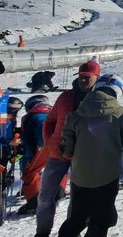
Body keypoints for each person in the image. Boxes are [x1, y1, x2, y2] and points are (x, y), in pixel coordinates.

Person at [58, 74, 123, 237]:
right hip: (107, 176)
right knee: (101, 220)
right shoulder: (121, 114)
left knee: (77, 219)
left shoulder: (76, 115)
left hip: (80, 177)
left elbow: (66, 149)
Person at [36, 59, 100, 237]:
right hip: (58, 154)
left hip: (82, 158)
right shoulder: (65, 97)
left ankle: (71, 232)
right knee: (45, 196)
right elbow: (49, 121)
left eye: (88, 77)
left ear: (97, 77)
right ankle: (42, 232)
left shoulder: (98, 100)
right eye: (81, 76)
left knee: (77, 200)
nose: (83, 80)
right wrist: (49, 141)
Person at [18, 95, 53, 215]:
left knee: (30, 173)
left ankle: (34, 203)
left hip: (39, 148)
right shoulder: (51, 112)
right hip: (55, 146)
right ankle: (58, 192)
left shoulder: (34, 115)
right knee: (54, 169)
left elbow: (40, 129)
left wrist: (40, 145)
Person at [0, 97, 23, 195]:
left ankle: (5, 181)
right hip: (2, 150)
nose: (16, 115)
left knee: (20, 153)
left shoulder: (12, 120)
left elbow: (13, 133)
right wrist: (9, 142)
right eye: (16, 111)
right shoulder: (2, 119)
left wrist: (18, 135)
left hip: (7, 151)